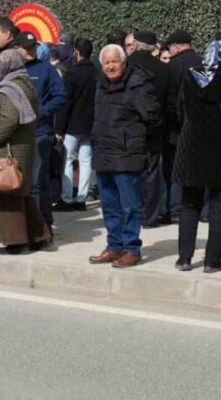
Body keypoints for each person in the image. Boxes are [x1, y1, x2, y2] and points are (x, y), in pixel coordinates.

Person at [174, 41, 221, 272]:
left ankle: (184, 258)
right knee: (220, 205)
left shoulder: (190, 77)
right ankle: (212, 260)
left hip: (192, 147)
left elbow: (179, 111)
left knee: (189, 203)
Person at [88, 43, 160, 268]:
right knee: (109, 205)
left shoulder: (137, 83)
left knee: (130, 206)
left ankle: (131, 249)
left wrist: (135, 141)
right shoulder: (99, 84)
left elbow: (153, 117)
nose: (110, 66)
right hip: (104, 153)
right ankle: (114, 246)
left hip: (127, 154)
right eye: (106, 62)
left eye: (114, 61)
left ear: (124, 61)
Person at [0, 49, 51, 254]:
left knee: (7, 195)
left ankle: (16, 243)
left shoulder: (8, 88)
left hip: (9, 149)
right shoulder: (25, 83)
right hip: (25, 146)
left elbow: (9, 119)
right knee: (22, 193)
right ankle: (39, 236)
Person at [15, 32, 66, 232]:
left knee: (37, 181)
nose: (30, 51)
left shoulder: (47, 70)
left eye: (33, 47)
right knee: (19, 182)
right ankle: (25, 223)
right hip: (17, 135)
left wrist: (41, 112)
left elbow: (60, 96)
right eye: (26, 48)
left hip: (40, 133)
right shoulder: (11, 70)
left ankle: (40, 226)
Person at [127, 30, 173, 228]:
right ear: (154, 47)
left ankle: (132, 213)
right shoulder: (164, 69)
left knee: (129, 171)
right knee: (153, 171)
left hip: (128, 126)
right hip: (156, 126)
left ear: (135, 45)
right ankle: (151, 216)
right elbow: (170, 101)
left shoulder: (125, 66)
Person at [163, 30, 203, 222]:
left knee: (177, 169)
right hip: (201, 124)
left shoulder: (174, 65)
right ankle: (202, 210)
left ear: (175, 46)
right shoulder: (203, 62)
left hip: (178, 127)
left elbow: (170, 99)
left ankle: (176, 209)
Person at [54, 37, 96, 211]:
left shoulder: (72, 74)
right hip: (91, 123)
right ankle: (81, 198)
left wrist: (59, 128)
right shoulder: (97, 73)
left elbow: (66, 103)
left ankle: (67, 197)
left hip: (72, 124)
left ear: (76, 52)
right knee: (86, 161)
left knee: (67, 160)